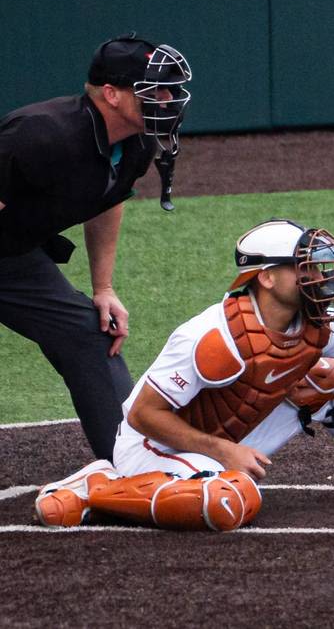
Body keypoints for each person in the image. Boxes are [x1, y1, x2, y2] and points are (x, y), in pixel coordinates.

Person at [34, 219, 334, 530]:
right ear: (267, 277)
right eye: (303, 268)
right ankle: (98, 488)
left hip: (235, 435)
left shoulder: (315, 322)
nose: (318, 277)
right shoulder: (212, 338)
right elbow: (141, 416)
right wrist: (220, 450)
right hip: (157, 447)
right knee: (228, 503)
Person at [0, 34, 192, 460]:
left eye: (169, 90)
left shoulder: (137, 143)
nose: (167, 100)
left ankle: (130, 462)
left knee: (89, 332)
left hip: (11, 256)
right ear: (112, 94)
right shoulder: (41, 135)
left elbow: (108, 202)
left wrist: (102, 288)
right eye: (153, 90)